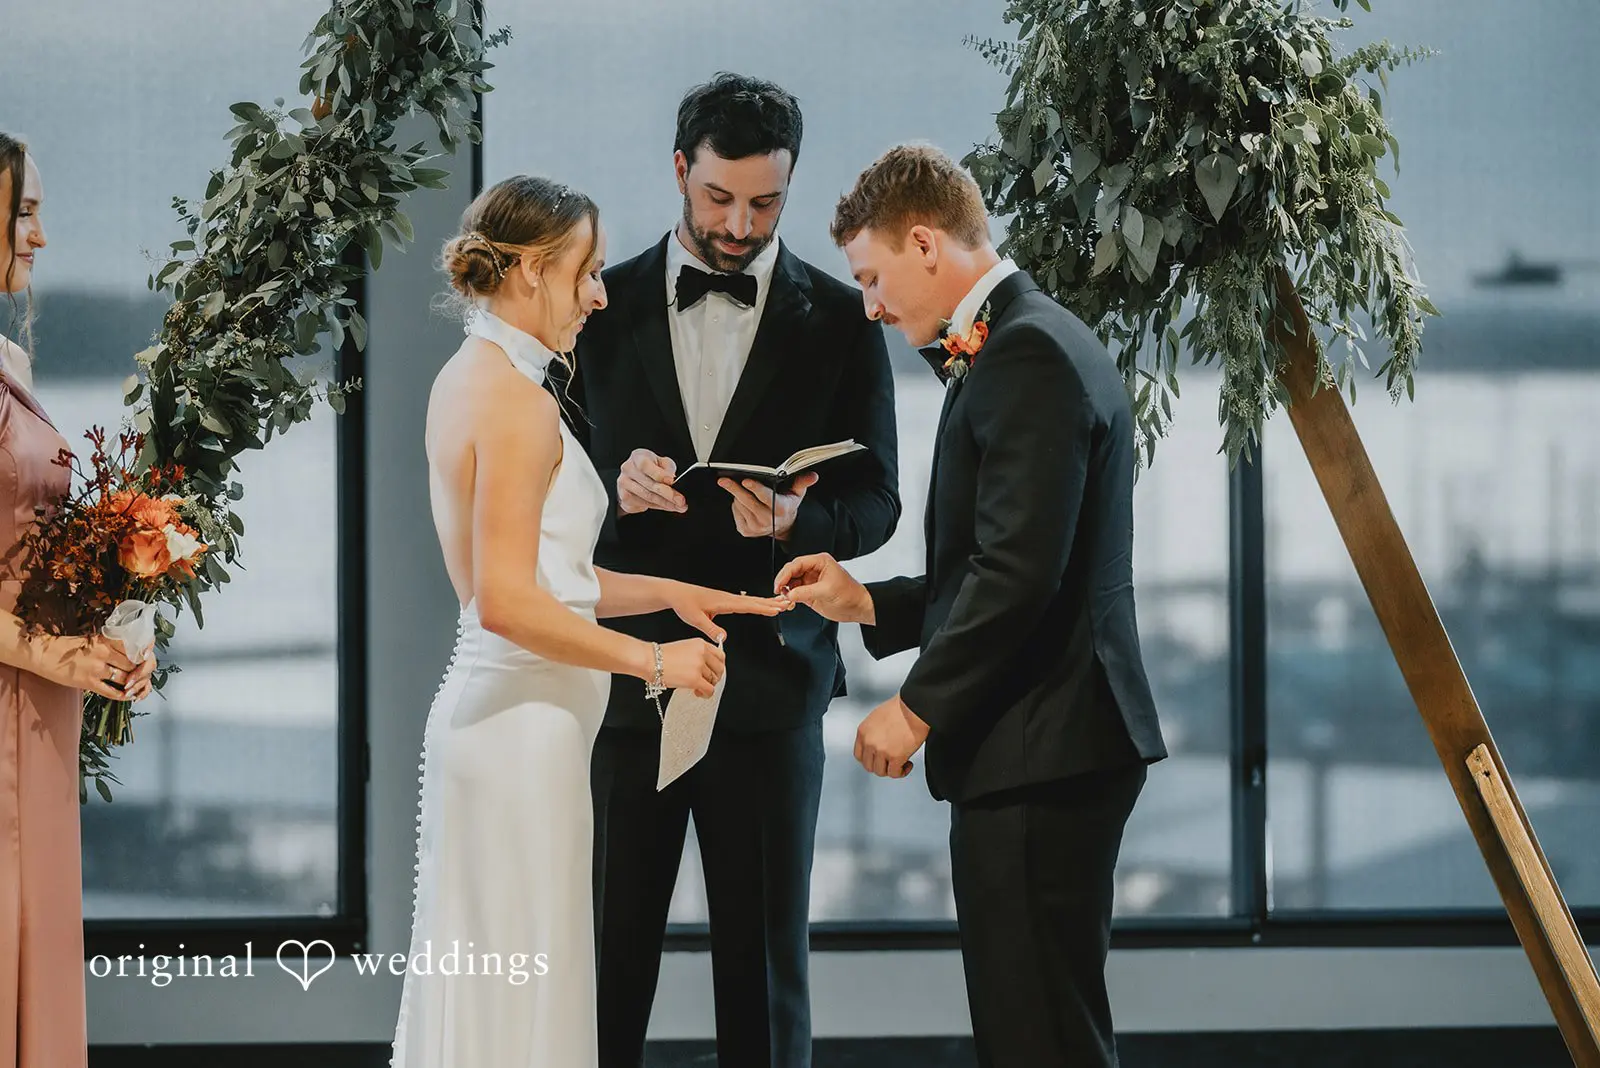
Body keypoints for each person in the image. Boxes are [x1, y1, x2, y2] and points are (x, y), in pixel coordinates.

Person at [776, 142, 1167, 1068]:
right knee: (1037, 1026)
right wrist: (863, 598)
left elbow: (1018, 577)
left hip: (1045, 746)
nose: (870, 305)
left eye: (872, 278)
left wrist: (915, 709)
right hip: (1045, 743)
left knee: (1038, 1035)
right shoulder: (1027, 341)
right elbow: (1001, 565)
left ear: (923, 243)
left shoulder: (1026, 354)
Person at [390, 175, 789, 1068]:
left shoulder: (477, 377)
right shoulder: (517, 403)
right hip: (519, 736)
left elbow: (546, 580)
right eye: (588, 273)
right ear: (531, 271)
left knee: (507, 996)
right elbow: (504, 602)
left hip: (511, 724)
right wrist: (657, 664)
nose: (601, 295)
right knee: (525, 1003)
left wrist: (667, 594)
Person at [560, 74, 899, 1068]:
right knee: (603, 969)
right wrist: (610, 488)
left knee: (763, 978)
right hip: (624, 679)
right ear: (678, 171)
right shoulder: (596, 307)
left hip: (771, 682)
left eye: (765, 203)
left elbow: (877, 502)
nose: (740, 224)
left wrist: (801, 518)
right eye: (718, 199)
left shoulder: (840, 320)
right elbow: (541, 490)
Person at [0, 132, 157, 1068]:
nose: (43, 237)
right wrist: (40, 649)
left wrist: (109, 616)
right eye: (24, 212)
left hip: (38, 715)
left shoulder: (8, 357)